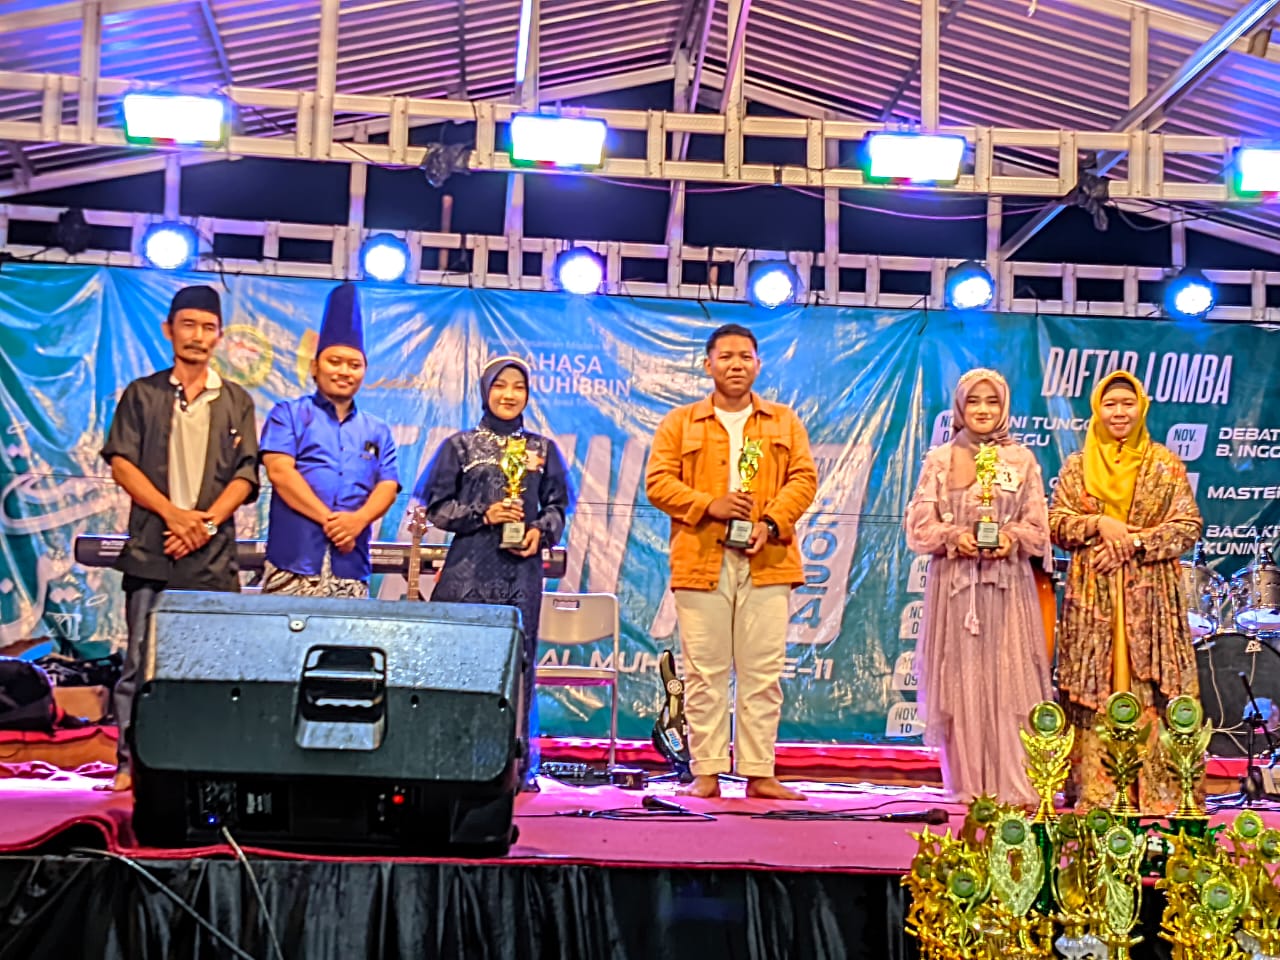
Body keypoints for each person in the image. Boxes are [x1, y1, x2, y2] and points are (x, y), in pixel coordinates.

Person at [645, 323, 817, 800]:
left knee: (763, 671)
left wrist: (771, 524)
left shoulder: (783, 421)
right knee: (705, 671)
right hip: (701, 559)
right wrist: (709, 505)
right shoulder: (680, 423)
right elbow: (658, 482)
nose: (735, 365)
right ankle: (706, 771)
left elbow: (803, 479)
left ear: (759, 364)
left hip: (769, 559)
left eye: (745, 357)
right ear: (708, 365)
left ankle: (760, 772)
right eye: (725, 357)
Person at [100, 285, 260, 792]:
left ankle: (204, 762)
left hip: (211, 558)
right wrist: (173, 515)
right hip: (153, 549)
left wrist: (204, 525)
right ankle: (129, 763)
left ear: (219, 336)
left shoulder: (235, 400)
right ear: (169, 330)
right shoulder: (142, 394)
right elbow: (122, 463)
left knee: (211, 667)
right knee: (139, 665)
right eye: (188, 325)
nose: (198, 336)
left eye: (208, 327)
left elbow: (247, 475)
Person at [1049, 370, 1202, 813]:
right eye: (1110, 404)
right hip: (1094, 597)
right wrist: (1100, 524)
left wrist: (1132, 542)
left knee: (1149, 688)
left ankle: (1156, 794)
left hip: (1150, 598)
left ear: (1142, 408)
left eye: (1127, 404)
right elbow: (1057, 524)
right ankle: (1098, 795)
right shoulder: (1078, 466)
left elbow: (1188, 526)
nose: (1119, 412)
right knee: (1093, 688)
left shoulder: (1164, 464)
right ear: (1098, 409)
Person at [415, 356, 572, 789]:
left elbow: (558, 507)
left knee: (517, 661)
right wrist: (484, 514)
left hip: (521, 573)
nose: (509, 394)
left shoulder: (542, 449)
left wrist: (540, 532)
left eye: (518, 387)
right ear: (485, 391)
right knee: (457, 658)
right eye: (500, 385)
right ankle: (449, 757)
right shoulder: (459, 446)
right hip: (467, 571)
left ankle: (514, 766)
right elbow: (437, 508)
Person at [904, 369, 1052, 807]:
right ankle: (970, 786)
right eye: (974, 401)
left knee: (1010, 683)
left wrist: (1011, 538)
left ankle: (1015, 785)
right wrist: (954, 536)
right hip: (956, 587)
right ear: (959, 407)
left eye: (992, 401)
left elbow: (1038, 527)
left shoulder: (1021, 460)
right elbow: (919, 526)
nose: (983, 410)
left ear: (1004, 407)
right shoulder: (941, 460)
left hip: (1007, 587)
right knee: (962, 680)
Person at [260, 282, 399, 596]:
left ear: (364, 371)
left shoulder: (377, 429)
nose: (344, 372)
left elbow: (388, 486)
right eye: (334, 362)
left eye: (354, 365)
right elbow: (280, 473)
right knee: (285, 631)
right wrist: (333, 523)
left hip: (351, 565)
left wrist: (358, 521)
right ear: (315, 366)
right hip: (292, 563)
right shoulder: (288, 414)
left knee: (349, 632)